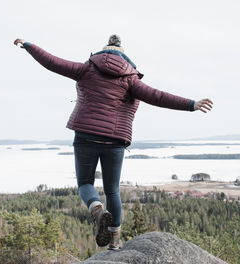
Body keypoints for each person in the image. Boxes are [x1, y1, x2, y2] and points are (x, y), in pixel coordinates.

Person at [14, 35, 213, 250]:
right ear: (123, 55)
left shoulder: (86, 69)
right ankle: (115, 239)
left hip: (85, 135)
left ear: (102, 51)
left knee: (85, 184)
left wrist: (28, 46)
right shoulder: (130, 78)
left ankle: (97, 210)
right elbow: (158, 96)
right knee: (112, 190)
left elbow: (52, 62)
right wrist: (191, 104)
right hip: (116, 140)